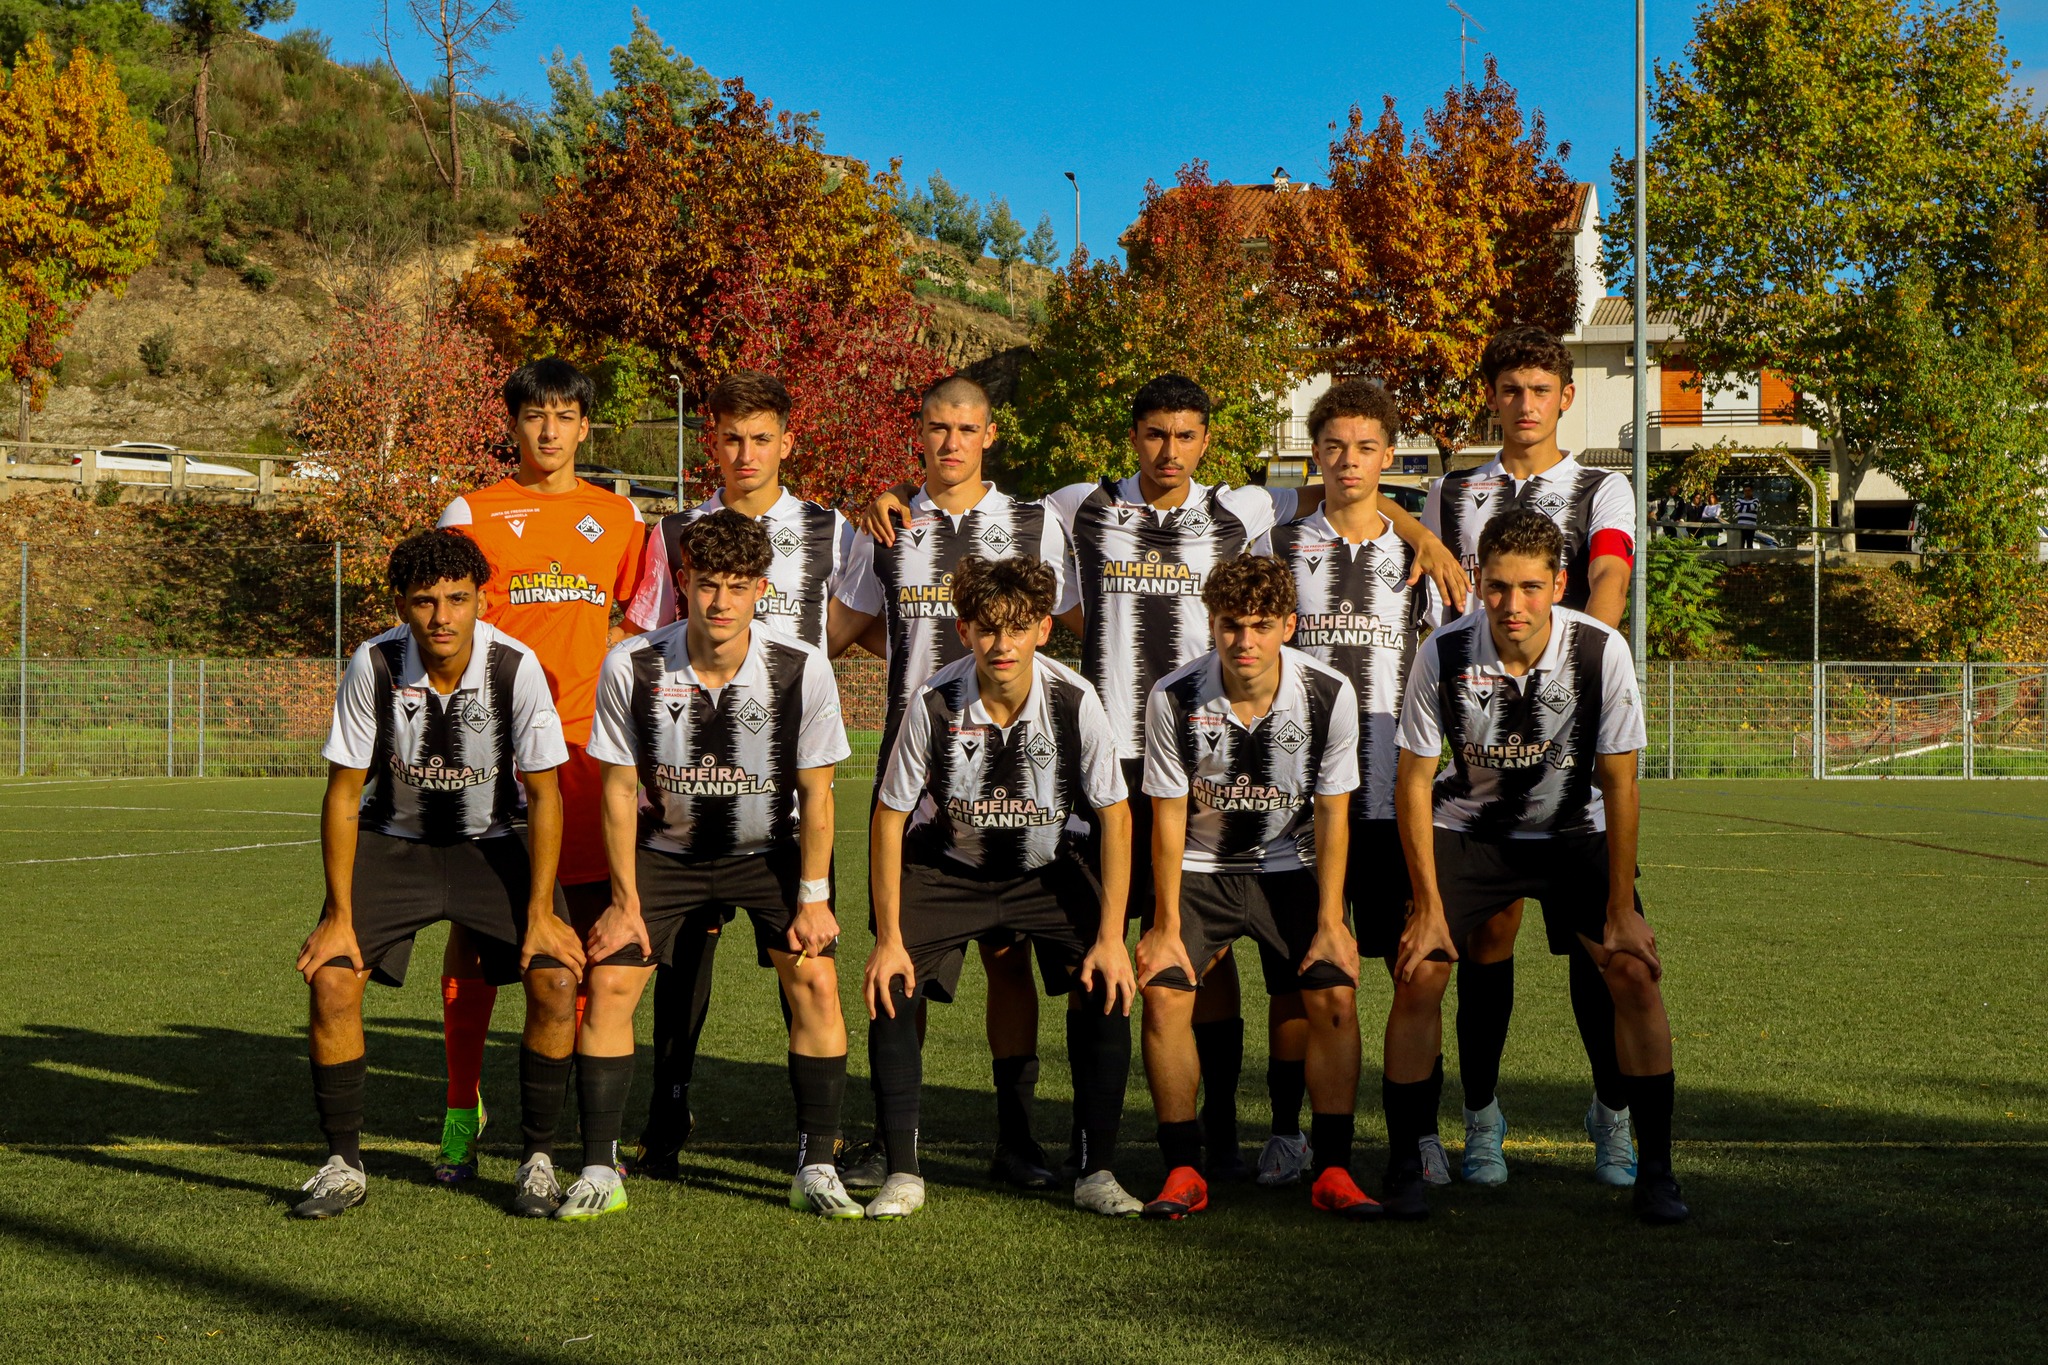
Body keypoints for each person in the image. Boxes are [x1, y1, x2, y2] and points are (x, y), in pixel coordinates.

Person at [863, 371, 1466, 1187]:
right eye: (1154, 434)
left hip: (1207, 757)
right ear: (1134, 436)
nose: (1169, 451)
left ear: (1206, 440)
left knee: (1235, 959)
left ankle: (1249, 1137)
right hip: (1109, 769)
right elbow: (964, 484)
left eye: (1186, 436)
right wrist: (899, 490)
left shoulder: (1245, 509)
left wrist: (1415, 529)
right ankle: (1100, 1146)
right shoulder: (1079, 504)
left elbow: (1342, 492)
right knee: (1131, 958)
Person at [1382, 509, 1688, 1226]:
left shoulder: (1601, 650)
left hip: (1572, 833)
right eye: (1496, 587)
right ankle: (1407, 1162)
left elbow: (1620, 784)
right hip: (1472, 833)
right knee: (1420, 968)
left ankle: (1658, 1168)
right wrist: (1426, 906)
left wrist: (1620, 909)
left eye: (1528, 587)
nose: (1511, 605)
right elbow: (1414, 782)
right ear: (1478, 583)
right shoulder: (1443, 651)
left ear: (1558, 584)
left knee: (1634, 972)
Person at [569, 509, 860, 1220]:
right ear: (683, 585)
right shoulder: (631, 663)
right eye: (706, 584)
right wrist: (622, 900)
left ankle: (817, 1164)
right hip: (665, 851)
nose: (720, 601)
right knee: (610, 981)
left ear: (762, 588)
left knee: (816, 979)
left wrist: (815, 897)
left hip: (766, 853)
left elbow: (818, 797)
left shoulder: (800, 666)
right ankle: (599, 1167)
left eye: (736, 585)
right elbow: (615, 790)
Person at [291, 530, 584, 1219]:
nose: (442, 616)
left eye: (457, 599)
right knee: (332, 978)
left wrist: (540, 912)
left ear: (481, 598)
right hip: (398, 842)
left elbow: (544, 794)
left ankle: (537, 1159)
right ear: (402, 604)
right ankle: (342, 1163)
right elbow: (342, 793)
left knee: (556, 975)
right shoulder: (376, 662)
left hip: (493, 842)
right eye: (425, 601)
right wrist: (337, 912)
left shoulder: (516, 666)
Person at [619, 370, 867, 1179]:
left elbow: (853, 630)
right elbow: (650, 636)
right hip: (686, 781)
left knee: (805, 959)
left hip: (782, 793)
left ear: (788, 441)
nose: (745, 453)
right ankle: (667, 1115)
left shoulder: (833, 529)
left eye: (762, 438)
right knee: (678, 963)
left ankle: (818, 1141)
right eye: (729, 437)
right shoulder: (676, 530)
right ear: (711, 440)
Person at [829, 375, 1075, 1191]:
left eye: (966, 428)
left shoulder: (1036, 524)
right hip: (914, 778)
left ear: (991, 434)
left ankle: (1017, 1137)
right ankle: (891, 1136)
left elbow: (1078, 626)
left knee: (1010, 957)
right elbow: (846, 628)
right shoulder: (889, 525)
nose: (951, 442)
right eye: (937, 427)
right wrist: (913, 678)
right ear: (920, 432)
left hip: (1015, 773)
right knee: (903, 959)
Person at [1420, 326, 1640, 1190]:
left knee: (1601, 944)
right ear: (1492, 397)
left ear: (1564, 398)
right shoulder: (1454, 490)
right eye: (1509, 388)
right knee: (1489, 937)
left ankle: (1612, 1114)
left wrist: (1581, 667)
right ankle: (1483, 1119)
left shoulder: (1599, 483)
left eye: (1539, 388)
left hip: (1570, 729)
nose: (1524, 402)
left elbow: (1610, 579)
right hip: (1480, 733)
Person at [862, 555, 1142, 1220]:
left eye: (1018, 628)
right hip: (950, 866)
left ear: (1044, 628)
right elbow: (890, 814)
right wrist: (891, 938)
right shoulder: (933, 702)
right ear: (964, 630)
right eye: (988, 628)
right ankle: (901, 1170)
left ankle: (1095, 1169)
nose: (1002, 644)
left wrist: (1110, 937)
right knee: (891, 982)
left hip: (1046, 869)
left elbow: (1115, 816)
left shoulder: (1075, 699)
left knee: (1106, 980)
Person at [428, 359, 647, 1194]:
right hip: (494, 754)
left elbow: (637, 625)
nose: (549, 430)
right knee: (480, 934)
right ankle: (457, 1110)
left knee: (587, 942)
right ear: (511, 424)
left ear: (585, 426)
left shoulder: (619, 516)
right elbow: (439, 622)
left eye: (564, 415)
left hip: (592, 755)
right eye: (533, 415)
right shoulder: (472, 511)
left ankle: (582, 1129)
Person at [1135, 554, 1380, 1222]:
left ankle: (1332, 1167)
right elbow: (1167, 816)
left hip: (1291, 864)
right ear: (1211, 624)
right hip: (1200, 868)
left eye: (1262, 625)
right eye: (1231, 625)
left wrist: (1331, 918)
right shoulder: (1174, 696)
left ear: (1289, 626)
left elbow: (1333, 812)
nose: (1245, 641)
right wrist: (1161, 925)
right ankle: (1184, 1166)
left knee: (1333, 988)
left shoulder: (1329, 692)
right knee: (1161, 992)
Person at [1253, 378, 1448, 1188]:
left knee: (1414, 971)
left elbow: (1441, 667)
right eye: (1334, 446)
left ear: (1388, 456)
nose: (1349, 461)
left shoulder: (1420, 555)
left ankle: (1420, 1133)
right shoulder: (1279, 543)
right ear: (1315, 454)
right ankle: (1289, 1130)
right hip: (1299, 799)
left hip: (1391, 794)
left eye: (1366, 447)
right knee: (1303, 977)